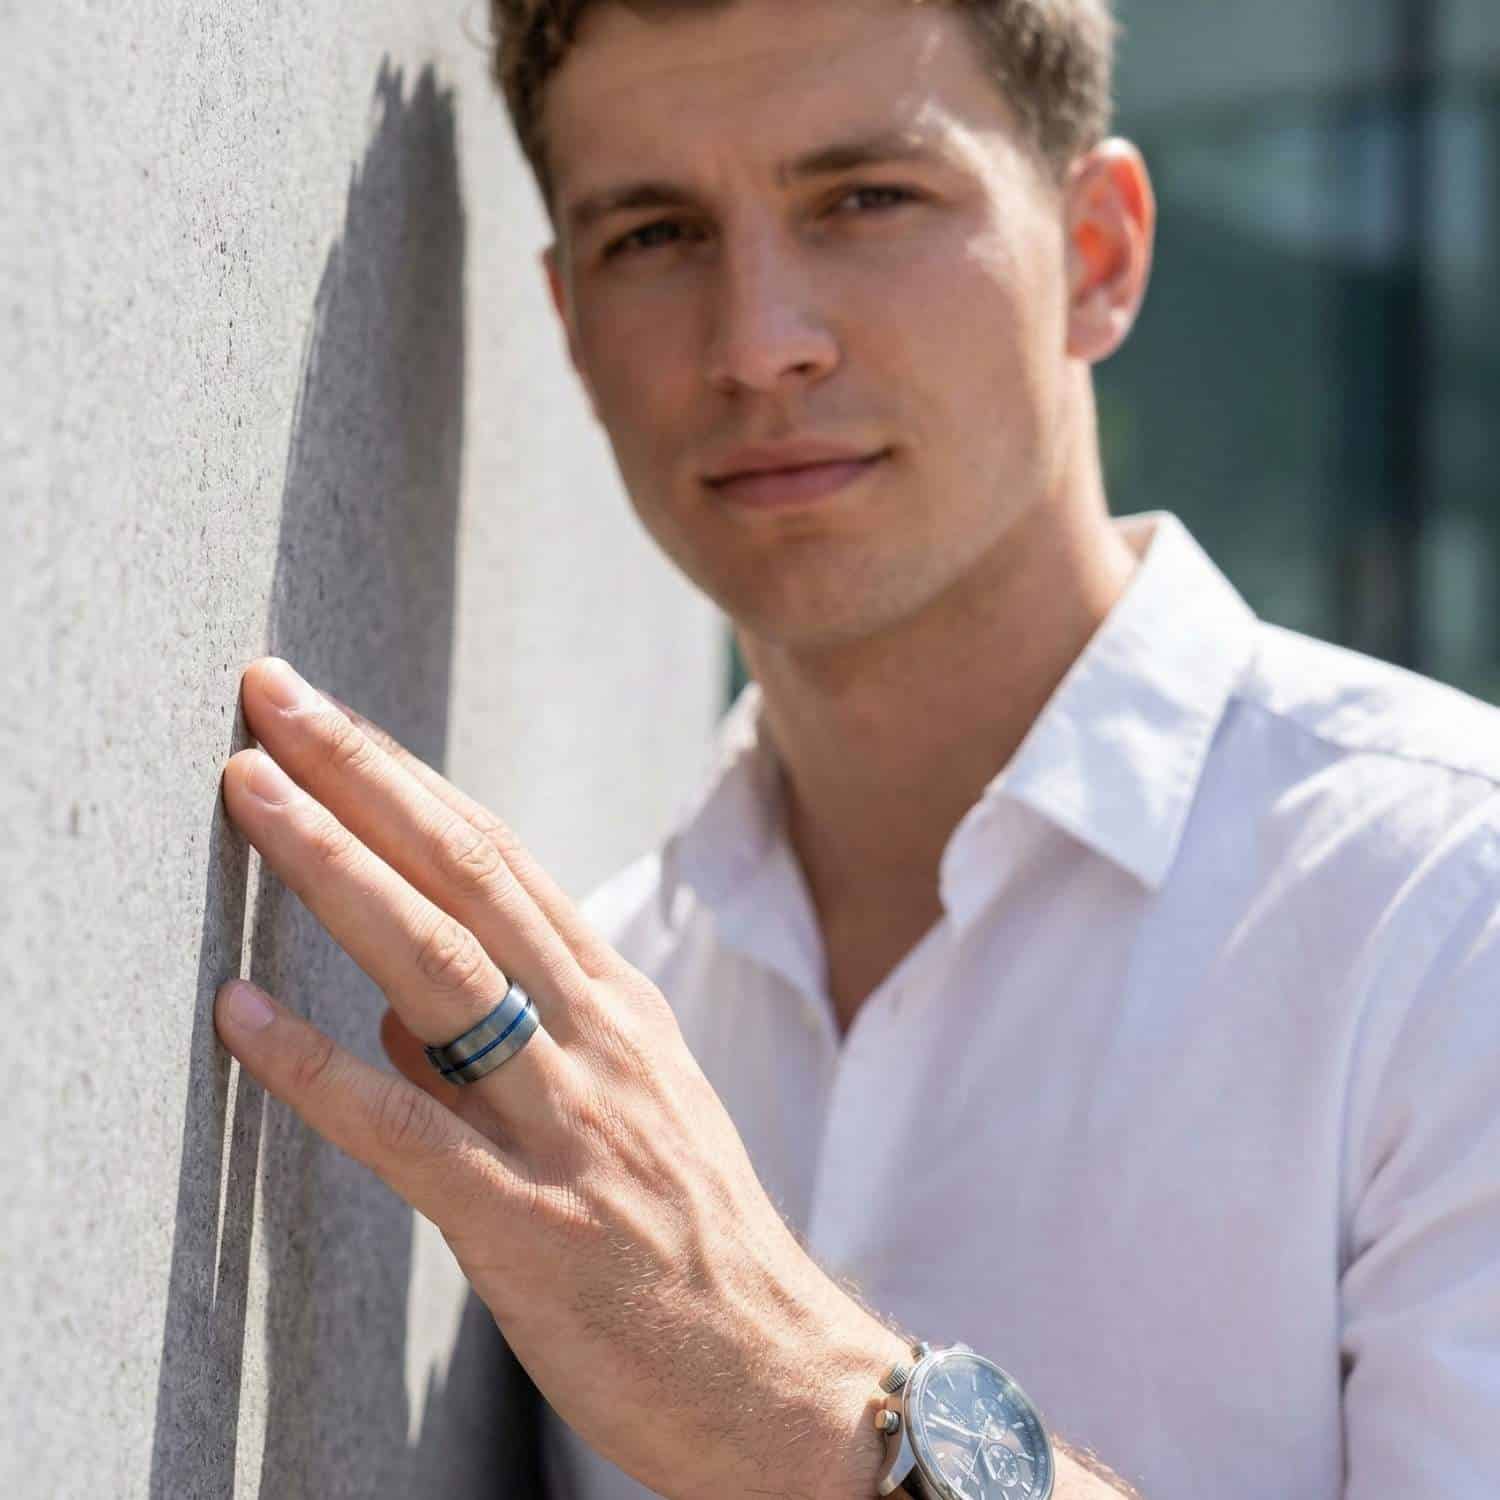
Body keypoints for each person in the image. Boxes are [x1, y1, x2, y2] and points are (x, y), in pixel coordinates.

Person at [211, 1, 1500, 1497]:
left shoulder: (1449, 906)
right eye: (653, 235)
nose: (758, 346)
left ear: (1098, 253)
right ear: (568, 325)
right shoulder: (602, 1015)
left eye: (868, 199)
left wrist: (802, 1406)